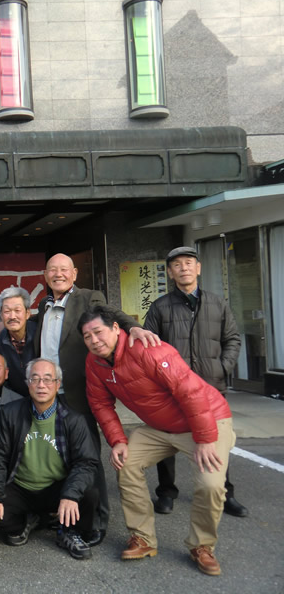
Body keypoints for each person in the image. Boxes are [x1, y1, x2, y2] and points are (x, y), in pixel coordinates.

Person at [80, 306, 235, 577]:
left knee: (211, 484)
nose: (94, 340)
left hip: (206, 420)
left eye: (98, 332)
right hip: (160, 427)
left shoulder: (148, 349)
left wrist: (205, 438)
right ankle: (142, 538)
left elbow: (190, 391)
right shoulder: (94, 362)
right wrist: (118, 441)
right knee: (126, 464)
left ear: (116, 328)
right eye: (87, 336)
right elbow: (100, 404)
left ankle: (202, 546)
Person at [31, 252, 160, 546]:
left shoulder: (88, 297)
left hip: (78, 391)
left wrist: (133, 327)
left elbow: (110, 314)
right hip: (48, 394)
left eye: (64, 269)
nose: (58, 274)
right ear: (45, 275)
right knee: (56, 455)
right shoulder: (43, 304)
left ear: (74, 274)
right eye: (53, 270)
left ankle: (96, 521)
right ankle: (63, 513)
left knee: (87, 458)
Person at [144, 246, 245, 518]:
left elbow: (232, 339)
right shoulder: (160, 307)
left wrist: (221, 368)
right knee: (168, 442)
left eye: (189, 263)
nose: (184, 268)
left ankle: (225, 493)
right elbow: (148, 348)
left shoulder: (217, 303)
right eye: (177, 265)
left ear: (198, 268)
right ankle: (166, 492)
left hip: (211, 387)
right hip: (171, 390)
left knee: (216, 440)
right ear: (170, 272)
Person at [0, 358, 99, 560]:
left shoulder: (73, 419)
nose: (41, 385)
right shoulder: (10, 413)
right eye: (35, 379)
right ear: (28, 383)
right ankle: (30, 521)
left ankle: (69, 531)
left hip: (56, 488)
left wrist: (70, 495)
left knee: (88, 493)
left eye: (48, 379)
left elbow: (86, 462)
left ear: (58, 384)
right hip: (19, 487)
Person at [0, 286, 37, 397]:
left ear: (27, 313)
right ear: (1, 316)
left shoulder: (40, 335)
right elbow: (0, 380)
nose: (12, 316)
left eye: (17, 310)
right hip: (13, 399)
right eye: (7, 311)